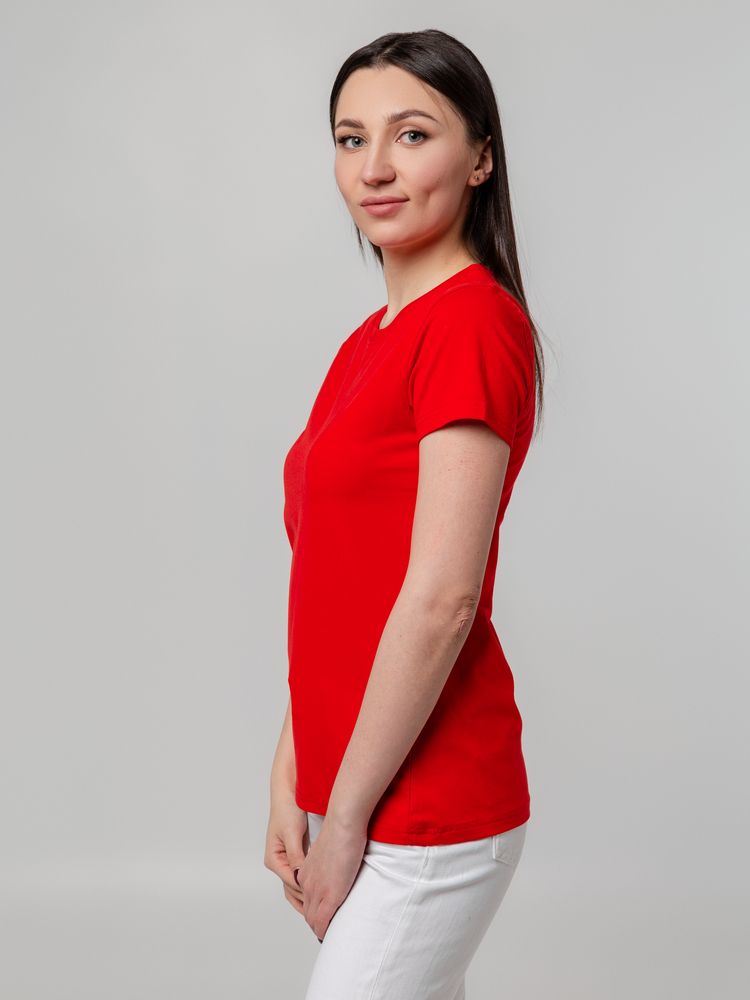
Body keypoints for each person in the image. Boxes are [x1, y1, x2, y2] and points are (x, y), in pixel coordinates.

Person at [265, 27, 546, 1000]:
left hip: (427, 803)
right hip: (361, 787)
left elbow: (439, 600)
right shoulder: (366, 344)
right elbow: (336, 584)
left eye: (412, 134)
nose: (374, 167)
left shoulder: (469, 324)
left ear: (480, 158)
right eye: (351, 139)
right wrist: (290, 773)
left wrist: (345, 817)